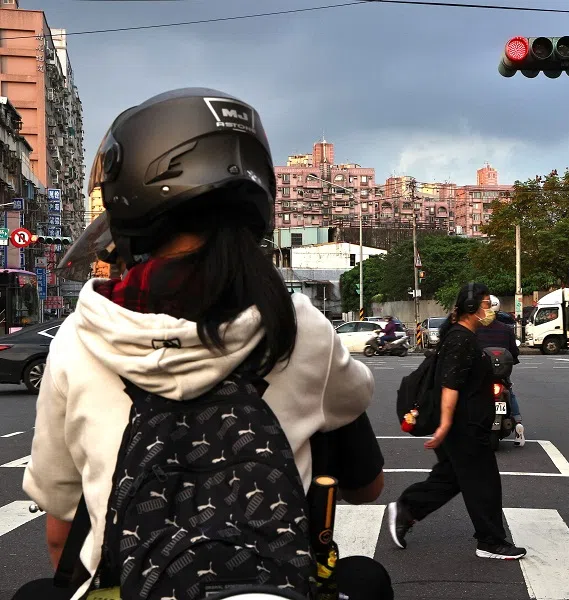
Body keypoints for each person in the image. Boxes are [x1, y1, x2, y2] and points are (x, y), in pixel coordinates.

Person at [21, 88, 391, 600]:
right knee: (364, 581)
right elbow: (367, 487)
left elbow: (62, 529)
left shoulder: (80, 336)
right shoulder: (301, 326)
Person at [387, 282, 526, 560]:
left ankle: (408, 508)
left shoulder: (462, 335)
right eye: (486, 305)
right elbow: (450, 385)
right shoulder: (461, 339)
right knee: (483, 483)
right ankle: (490, 541)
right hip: (464, 426)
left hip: (465, 424)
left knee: (451, 477)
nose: (490, 311)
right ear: (472, 308)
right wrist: (445, 425)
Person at [476, 295, 525, 446]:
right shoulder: (506, 329)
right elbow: (514, 352)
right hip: (502, 373)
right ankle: (518, 424)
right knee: (510, 392)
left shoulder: (475, 329)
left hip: (481, 374)